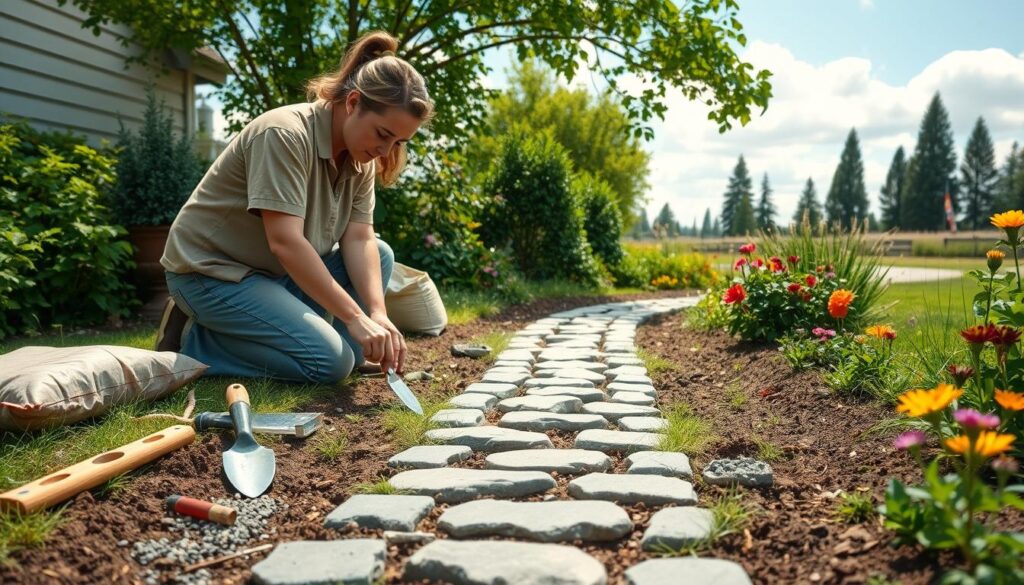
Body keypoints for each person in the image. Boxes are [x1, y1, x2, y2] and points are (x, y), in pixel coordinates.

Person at [155, 30, 433, 383]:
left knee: (378, 253)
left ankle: (356, 353)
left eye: (399, 141)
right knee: (328, 364)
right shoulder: (284, 134)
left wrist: (377, 314)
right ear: (352, 103)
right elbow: (284, 241)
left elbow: (359, 238)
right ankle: (196, 341)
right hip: (213, 275)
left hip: (273, 277)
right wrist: (354, 317)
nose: (386, 150)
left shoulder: (361, 158)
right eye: (382, 134)